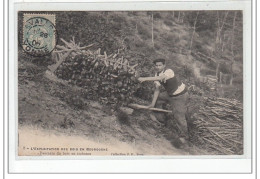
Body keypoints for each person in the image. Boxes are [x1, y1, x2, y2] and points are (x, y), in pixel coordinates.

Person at [138, 58, 189, 144]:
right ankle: (161, 120)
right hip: (169, 94)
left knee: (179, 115)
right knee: (158, 99)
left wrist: (145, 78)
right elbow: (157, 90)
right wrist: (152, 104)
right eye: (156, 65)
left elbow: (161, 77)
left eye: (160, 65)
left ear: (164, 65)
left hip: (180, 95)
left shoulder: (169, 71)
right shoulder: (156, 74)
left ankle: (184, 137)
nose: (158, 67)